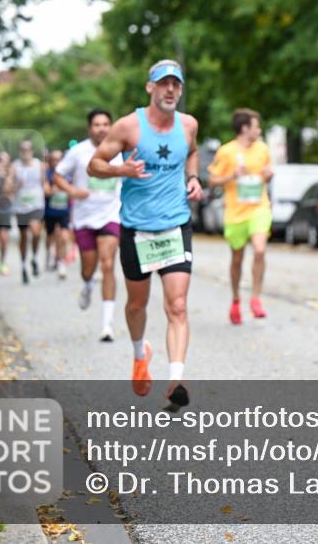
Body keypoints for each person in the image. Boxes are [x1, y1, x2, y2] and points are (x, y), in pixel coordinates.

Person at [88, 60, 202, 410]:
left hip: (175, 224)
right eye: (163, 83)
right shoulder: (127, 126)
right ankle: (140, 354)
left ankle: (176, 380)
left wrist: (193, 179)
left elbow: (192, 153)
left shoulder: (188, 125)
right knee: (137, 303)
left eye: (176, 85)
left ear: (180, 90)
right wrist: (120, 169)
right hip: (137, 229)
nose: (170, 90)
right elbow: (95, 163)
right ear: (150, 88)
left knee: (178, 305)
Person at [53, 110, 123, 341]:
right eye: (97, 125)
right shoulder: (78, 151)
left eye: (105, 124)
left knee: (108, 264)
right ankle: (87, 285)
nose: (102, 128)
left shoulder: (120, 150)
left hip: (111, 215)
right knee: (88, 269)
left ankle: (107, 325)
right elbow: (58, 175)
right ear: (89, 128)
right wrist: (72, 190)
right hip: (84, 218)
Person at [207, 108, 273, 325]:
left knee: (260, 250)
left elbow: (267, 172)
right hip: (235, 213)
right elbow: (212, 181)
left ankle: (256, 298)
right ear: (245, 129)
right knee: (237, 259)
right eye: (256, 126)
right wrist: (231, 176)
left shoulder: (262, 149)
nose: (259, 130)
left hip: (258, 208)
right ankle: (236, 299)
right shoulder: (226, 152)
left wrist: (267, 175)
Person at [11, 140, 47, 284]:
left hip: (36, 205)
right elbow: (8, 187)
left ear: (32, 151)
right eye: (23, 150)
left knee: (36, 232)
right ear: (20, 151)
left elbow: (46, 184)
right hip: (20, 206)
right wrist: (16, 185)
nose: (26, 152)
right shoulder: (15, 167)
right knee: (24, 237)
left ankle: (34, 257)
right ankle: (24, 265)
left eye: (28, 149)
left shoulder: (40, 165)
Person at [43, 150, 71, 279]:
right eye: (54, 159)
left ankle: (61, 263)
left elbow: (72, 189)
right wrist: (55, 188)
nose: (56, 162)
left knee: (64, 237)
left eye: (59, 159)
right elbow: (47, 191)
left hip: (64, 211)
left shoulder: (68, 174)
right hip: (50, 211)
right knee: (51, 236)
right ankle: (49, 254)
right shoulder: (47, 174)